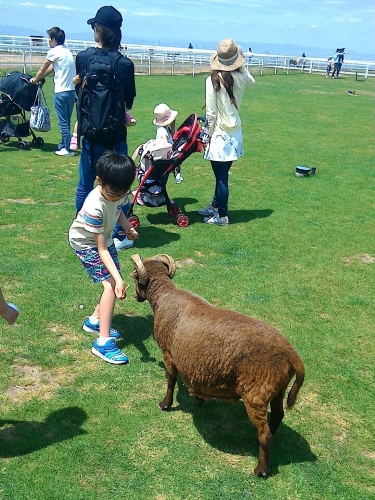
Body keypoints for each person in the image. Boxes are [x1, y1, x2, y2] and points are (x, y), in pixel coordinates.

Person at [74, 6, 136, 251]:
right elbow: (128, 101)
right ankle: (121, 233)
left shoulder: (83, 58)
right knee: (119, 186)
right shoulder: (124, 64)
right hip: (115, 135)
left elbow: (81, 93)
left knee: (85, 185)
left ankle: (83, 230)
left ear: (100, 30)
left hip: (89, 134)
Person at [69, 151, 138, 365]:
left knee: (113, 280)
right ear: (99, 181)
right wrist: (117, 279)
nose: (119, 198)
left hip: (105, 240)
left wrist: (127, 229)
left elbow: (118, 210)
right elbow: (101, 251)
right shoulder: (94, 206)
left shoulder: (118, 191)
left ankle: (94, 321)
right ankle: (103, 342)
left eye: (122, 194)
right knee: (110, 285)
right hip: (86, 243)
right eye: (113, 194)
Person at [198, 38, 255, 226]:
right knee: (222, 174)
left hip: (220, 135)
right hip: (235, 133)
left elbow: (211, 113)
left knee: (221, 177)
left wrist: (206, 134)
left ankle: (222, 215)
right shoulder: (241, 78)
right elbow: (252, 82)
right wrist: (242, 64)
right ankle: (215, 205)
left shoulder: (212, 80)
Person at [30, 27, 75, 156]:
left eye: (49, 38)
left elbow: (43, 68)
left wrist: (35, 79)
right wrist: (42, 77)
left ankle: (67, 149)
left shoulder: (54, 51)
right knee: (66, 120)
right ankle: (63, 145)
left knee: (63, 122)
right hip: (71, 92)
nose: (48, 41)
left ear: (54, 39)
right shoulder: (66, 51)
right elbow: (51, 69)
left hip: (61, 92)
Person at [153, 103, 182, 182]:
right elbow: (166, 145)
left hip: (165, 157)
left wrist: (173, 126)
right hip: (163, 158)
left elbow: (173, 137)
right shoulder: (162, 131)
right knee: (162, 179)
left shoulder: (165, 128)